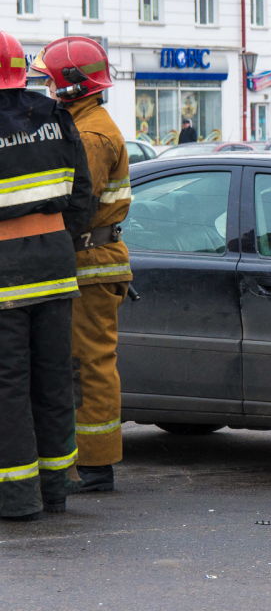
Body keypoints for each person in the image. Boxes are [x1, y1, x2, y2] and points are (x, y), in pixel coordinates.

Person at [31, 37, 132, 495]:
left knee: (89, 364)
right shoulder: (81, 123)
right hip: (88, 260)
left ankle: (95, 465)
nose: (46, 88)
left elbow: (76, 203)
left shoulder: (90, 134)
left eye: (50, 81)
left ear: (70, 86)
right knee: (78, 363)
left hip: (90, 262)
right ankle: (84, 460)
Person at [0, 30, 93, 520]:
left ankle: (16, 498)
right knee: (54, 377)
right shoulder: (56, 115)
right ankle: (55, 488)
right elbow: (83, 198)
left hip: (5, 275)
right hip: (56, 268)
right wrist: (57, 239)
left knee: (8, 384)